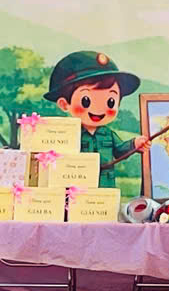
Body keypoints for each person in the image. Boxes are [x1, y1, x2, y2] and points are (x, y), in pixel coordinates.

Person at [44, 50, 150, 190]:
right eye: (86, 101)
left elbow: (119, 150)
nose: (99, 109)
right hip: (77, 189)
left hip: (105, 187)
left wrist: (134, 144)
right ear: (64, 104)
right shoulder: (68, 135)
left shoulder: (108, 134)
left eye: (110, 102)